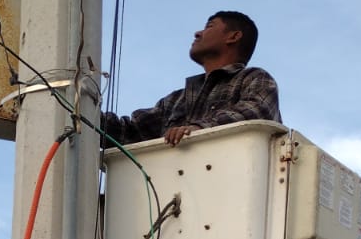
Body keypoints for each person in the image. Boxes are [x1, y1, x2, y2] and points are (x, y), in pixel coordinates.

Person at [102, 11, 280, 147]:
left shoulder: (254, 79)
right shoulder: (175, 100)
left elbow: (256, 112)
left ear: (233, 36)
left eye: (209, 26)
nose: (198, 33)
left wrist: (198, 129)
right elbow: (130, 132)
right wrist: (83, 115)